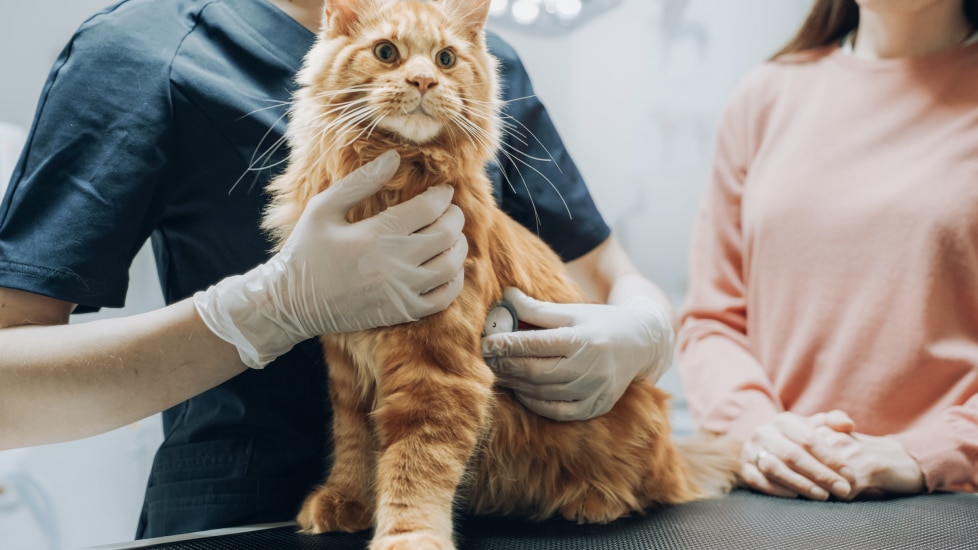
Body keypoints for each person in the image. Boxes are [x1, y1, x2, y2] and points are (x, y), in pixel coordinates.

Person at [0, 0, 674, 539]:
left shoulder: (477, 56)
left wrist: (647, 329)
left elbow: (608, 276)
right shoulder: (139, 47)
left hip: (513, 510)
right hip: (244, 520)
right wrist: (265, 310)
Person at [678, 0, 978, 503]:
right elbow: (712, 322)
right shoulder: (765, 95)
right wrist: (760, 431)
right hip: (771, 497)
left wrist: (925, 453)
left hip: (950, 501)